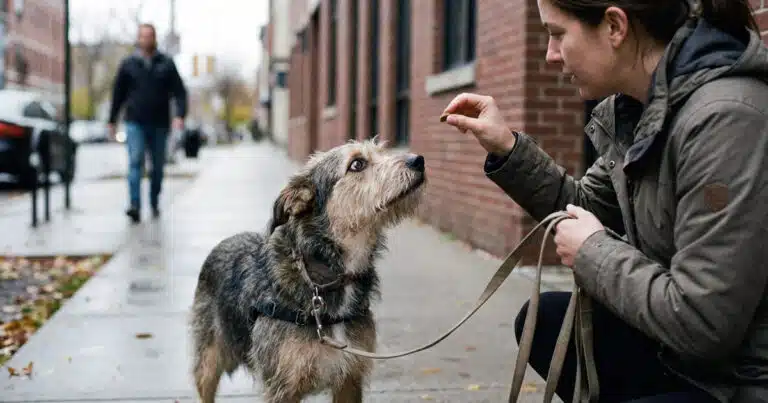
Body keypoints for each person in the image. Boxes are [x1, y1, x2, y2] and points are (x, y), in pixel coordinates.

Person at [441, 0, 768, 402]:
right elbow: (581, 206)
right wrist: (507, 147)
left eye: (558, 34)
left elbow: (704, 323)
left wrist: (593, 253)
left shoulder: (725, 118)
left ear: (614, 26)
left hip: (734, 382)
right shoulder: (639, 108)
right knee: (543, 320)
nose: (550, 53)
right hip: (682, 357)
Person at [108, 23, 187, 223]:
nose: (146, 40)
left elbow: (179, 92)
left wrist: (179, 115)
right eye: (142, 36)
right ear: (138, 39)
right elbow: (118, 94)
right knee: (135, 162)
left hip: (159, 123)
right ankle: (134, 205)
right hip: (134, 122)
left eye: (149, 36)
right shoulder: (128, 64)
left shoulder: (166, 63)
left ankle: (154, 200)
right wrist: (112, 120)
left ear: (154, 38)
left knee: (157, 167)